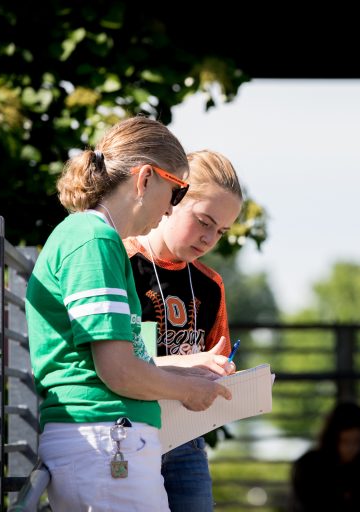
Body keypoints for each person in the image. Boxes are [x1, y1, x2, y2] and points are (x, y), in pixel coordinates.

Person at [25, 116, 232, 511]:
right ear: (145, 179)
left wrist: (186, 373)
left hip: (107, 444)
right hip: (104, 443)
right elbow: (118, 370)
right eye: (176, 192)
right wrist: (189, 389)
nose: (172, 208)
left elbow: (119, 361)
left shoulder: (94, 237)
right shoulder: (94, 239)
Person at [124, 149, 244, 511]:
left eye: (221, 231)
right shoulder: (122, 261)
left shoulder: (210, 284)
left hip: (187, 441)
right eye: (204, 221)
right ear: (173, 200)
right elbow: (117, 360)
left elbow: (215, 361)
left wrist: (223, 373)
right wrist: (190, 364)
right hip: (129, 431)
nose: (209, 239)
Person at [289, 401, 360, 512]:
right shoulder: (309, 467)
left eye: (357, 441)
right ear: (332, 440)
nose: (351, 448)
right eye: (345, 441)